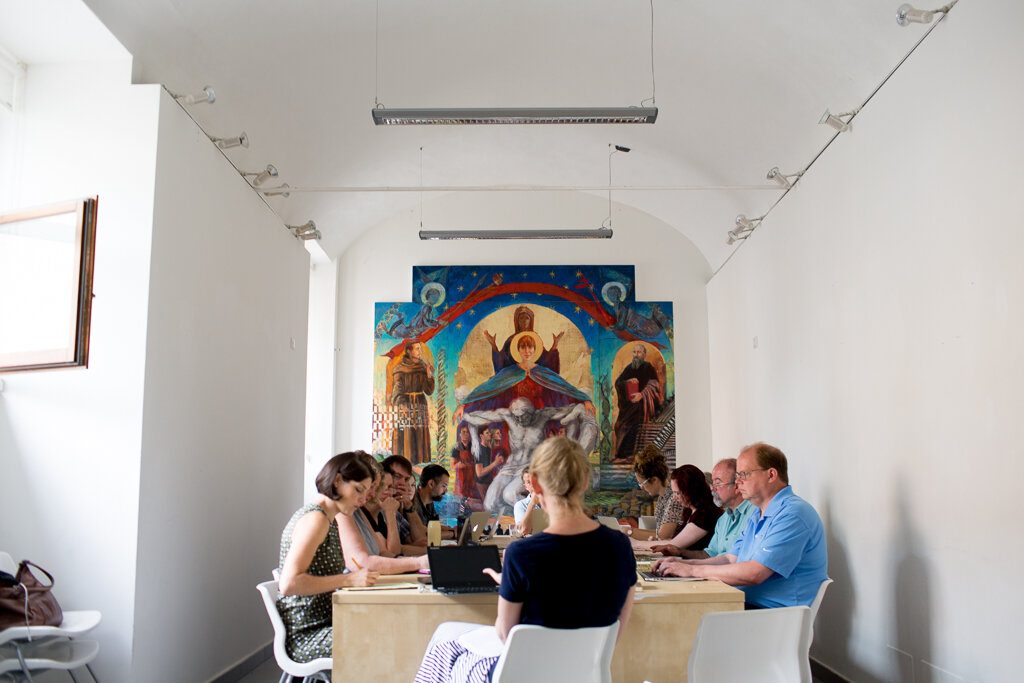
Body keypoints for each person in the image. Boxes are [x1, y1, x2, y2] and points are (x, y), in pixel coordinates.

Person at [413, 436, 637, 683]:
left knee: (446, 647)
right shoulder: (620, 547)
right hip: (585, 673)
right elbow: (615, 631)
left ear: (536, 486)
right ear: (585, 482)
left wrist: (509, 582)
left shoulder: (522, 554)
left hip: (522, 675)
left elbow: (505, 634)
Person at [652, 443, 828, 609]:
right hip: (744, 605)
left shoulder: (792, 514)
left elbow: (754, 573)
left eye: (744, 475)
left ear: (771, 475)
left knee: (678, 612)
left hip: (772, 615)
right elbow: (730, 558)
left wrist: (691, 570)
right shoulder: (757, 515)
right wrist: (681, 563)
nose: (738, 482)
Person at [277, 452, 381, 663]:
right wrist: (348, 579)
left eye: (366, 492)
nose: (362, 500)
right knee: (383, 640)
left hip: (325, 622)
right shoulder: (316, 519)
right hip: (308, 635)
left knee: (385, 627)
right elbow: (288, 583)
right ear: (337, 481)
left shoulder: (329, 519)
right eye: (358, 490)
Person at [461, 397, 598, 509]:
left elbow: (569, 410)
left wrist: (584, 403)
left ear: (531, 413)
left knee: (510, 495)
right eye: (517, 417)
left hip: (529, 467)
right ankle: (517, 521)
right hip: (509, 468)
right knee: (489, 504)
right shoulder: (508, 416)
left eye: (523, 416)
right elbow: (481, 416)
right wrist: (464, 411)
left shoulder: (542, 415)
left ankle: (538, 515)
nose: (519, 420)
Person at [454, 331, 593, 419]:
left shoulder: (542, 371)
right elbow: (488, 387)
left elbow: (563, 386)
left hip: (538, 415)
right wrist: (464, 404)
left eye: (530, 347)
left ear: (534, 349)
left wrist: (584, 399)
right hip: (516, 414)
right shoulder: (510, 371)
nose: (527, 351)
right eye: (523, 347)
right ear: (518, 349)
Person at [338, 458, 429, 575]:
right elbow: (362, 562)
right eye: (362, 489)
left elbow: (383, 552)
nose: (369, 494)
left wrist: (423, 560)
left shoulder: (356, 511)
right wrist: (419, 563)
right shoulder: (342, 512)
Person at [661, 458, 755, 560]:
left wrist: (691, 569)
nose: (712, 488)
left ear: (736, 486)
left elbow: (736, 562)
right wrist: (680, 552)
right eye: (712, 484)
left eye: (718, 483)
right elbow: (708, 555)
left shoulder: (755, 514)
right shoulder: (723, 519)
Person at [633, 464, 721, 553]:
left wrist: (635, 543)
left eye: (678, 493)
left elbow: (673, 545)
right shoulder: (690, 511)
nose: (675, 497)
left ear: (691, 491)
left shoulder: (705, 515)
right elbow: (675, 540)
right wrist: (658, 542)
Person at [612, 343, 662, 464]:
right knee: (619, 425)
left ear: (644, 355)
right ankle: (622, 455)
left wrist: (642, 395)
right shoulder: (629, 368)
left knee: (634, 425)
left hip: (643, 405)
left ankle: (632, 455)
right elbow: (618, 383)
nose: (636, 355)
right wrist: (628, 381)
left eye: (639, 352)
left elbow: (654, 385)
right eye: (634, 352)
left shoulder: (648, 368)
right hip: (628, 406)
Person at [391, 341, 436, 465]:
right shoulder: (400, 369)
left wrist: (429, 375)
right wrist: (401, 403)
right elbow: (397, 389)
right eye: (417, 349)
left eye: (420, 349)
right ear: (409, 351)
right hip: (406, 405)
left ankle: (421, 465)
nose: (419, 351)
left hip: (420, 405)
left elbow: (428, 391)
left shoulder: (422, 367)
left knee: (420, 436)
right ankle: (406, 465)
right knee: (407, 436)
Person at [483, 304, 561, 374]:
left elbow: (546, 363)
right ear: (517, 321)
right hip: (513, 377)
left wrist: (555, 344)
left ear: (531, 321)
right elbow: (501, 365)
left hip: (534, 376)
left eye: (526, 318)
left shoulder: (535, 339)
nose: (524, 321)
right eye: (521, 318)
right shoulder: (511, 341)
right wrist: (493, 345)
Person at [632, 444, 684, 540]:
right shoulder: (663, 497)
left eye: (642, 483)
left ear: (655, 479)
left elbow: (662, 536)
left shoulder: (674, 498)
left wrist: (629, 532)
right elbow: (658, 533)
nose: (642, 488)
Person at [382, 454, 428, 553]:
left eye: (406, 479)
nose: (403, 483)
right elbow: (389, 552)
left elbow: (421, 540)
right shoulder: (379, 508)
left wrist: (408, 505)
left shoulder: (395, 509)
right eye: (397, 477)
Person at [414, 463, 455, 540]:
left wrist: (455, 530)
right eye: (444, 486)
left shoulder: (429, 502)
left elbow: (433, 528)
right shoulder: (413, 504)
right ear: (431, 484)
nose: (446, 491)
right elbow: (424, 534)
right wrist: (453, 534)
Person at [473, 425, 506, 503]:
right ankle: (467, 503)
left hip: (489, 481)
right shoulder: (479, 451)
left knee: (490, 503)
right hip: (482, 483)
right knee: (487, 506)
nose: (489, 434)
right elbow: (479, 473)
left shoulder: (488, 448)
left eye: (489, 433)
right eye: (487, 433)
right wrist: (495, 463)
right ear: (481, 436)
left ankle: (468, 502)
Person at [450, 424, 479, 507]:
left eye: (467, 432)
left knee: (471, 500)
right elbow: (452, 466)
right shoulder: (456, 447)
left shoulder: (474, 446)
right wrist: (458, 465)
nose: (465, 434)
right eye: (463, 432)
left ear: (470, 434)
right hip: (461, 478)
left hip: (472, 477)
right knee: (461, 500)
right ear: (460, 434)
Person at [512, 467, 542, 535]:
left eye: (535, 481)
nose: (533, 485)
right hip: (532, 543)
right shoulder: (520, 505)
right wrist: (532, 503)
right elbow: (523, 530)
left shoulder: (554, 503)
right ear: (526, 487)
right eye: (529, 482)